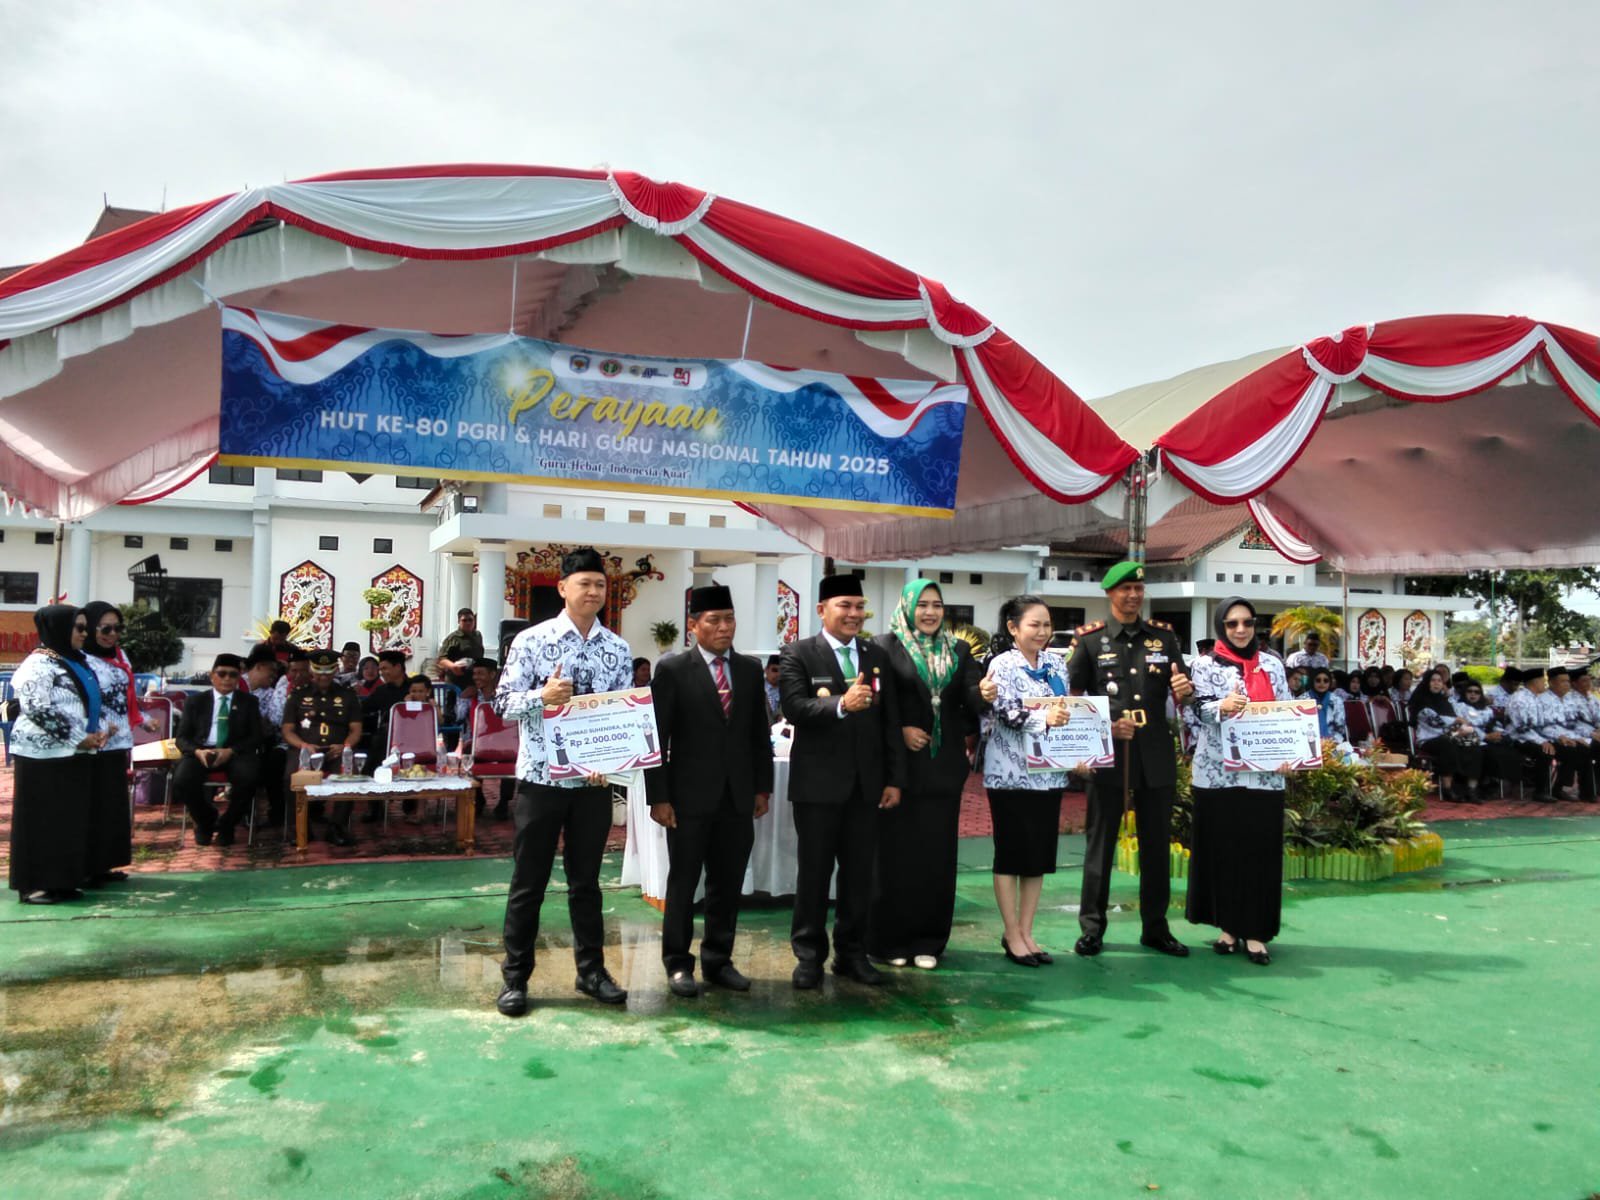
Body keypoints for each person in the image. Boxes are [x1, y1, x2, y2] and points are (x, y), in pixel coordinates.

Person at [494, 547, 634, 1017]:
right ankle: (516, 978)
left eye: (600, 584)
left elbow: (620, 717)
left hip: (592, 784)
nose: (593, 592)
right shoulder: (531, 641)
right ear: (562, 588)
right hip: (540, 779)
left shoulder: (618, 649)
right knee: (528, 882)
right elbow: (502, 704)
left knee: (586, 883)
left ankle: (591, 972)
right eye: (584, 583)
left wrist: (610, 763)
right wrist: (543, 695)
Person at [646, 584, 774, 998]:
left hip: (737, 796)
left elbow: (758, 735)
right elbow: (656, 737)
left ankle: (719, 961)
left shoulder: (750, 669)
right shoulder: (673, 670)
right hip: (687, 798)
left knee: (727, 883)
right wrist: (659, 796)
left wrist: (762, 788)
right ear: (693, 625)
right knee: (684, 883)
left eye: (729, 619)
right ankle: (677, 963)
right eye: (714, 620)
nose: (724, 627)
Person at [778, 573, 904, 990]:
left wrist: (893, 778)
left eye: (859, 606)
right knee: (814, 874)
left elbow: (889, 720)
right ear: (822, 610)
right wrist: (841, 705)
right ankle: (808, 956)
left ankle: (851, 953)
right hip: (817, 787)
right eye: (844, 606)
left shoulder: (875, 654)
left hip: (867, 787)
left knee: (858, 876)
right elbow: (794, 707)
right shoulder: (798, 653)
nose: (854, 614)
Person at [1066, 561, 1194, 959]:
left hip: (1154, 752)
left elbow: (1183, 691)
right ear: (1110, 593)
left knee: (1156, 846)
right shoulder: (1090, 641)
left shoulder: (1164, 638)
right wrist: (1105, 729)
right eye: (1126, 589)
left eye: (1139, 588)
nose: (1134, 595)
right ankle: (1092, 929)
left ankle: (1155, 928)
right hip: (1109, 754)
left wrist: (1185, 689)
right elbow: (1073, 702)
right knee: (1100, 845)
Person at [871, 579, 995, 970]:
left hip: (943, 767)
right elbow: (877, 704)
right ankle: (890, 940)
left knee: (936, 856)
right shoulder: (883, 647)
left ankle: (930, 940)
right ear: (907, 607)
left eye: (937, 605)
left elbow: (969, 697)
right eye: (922, 604)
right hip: (899, 769)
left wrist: (984, 693)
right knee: (895, 856)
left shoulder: (958, 649)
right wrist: (900, 731)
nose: (930, 612)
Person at [1186, 597, 1293, 965]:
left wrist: (1290, 754)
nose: (1241, 629)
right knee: (1224, 852)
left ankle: (1257, 932)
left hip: (1265, 776)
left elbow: (1286, 712)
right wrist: (1222, 706)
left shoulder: (1272, 665)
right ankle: (1228, 928)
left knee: (1259, 852)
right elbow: (1195, 710)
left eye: (1247, 622)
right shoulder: (1204, 665)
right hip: (1218, 774)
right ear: (1221, 627)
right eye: (1232, 623)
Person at [983, 594, 1071, 967]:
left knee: (1038, 857)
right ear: (1013, 628)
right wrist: (1043, 719)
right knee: (1011, 854)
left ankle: (1027, 930)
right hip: (1010, 774)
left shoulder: (1056, 663)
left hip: (1048, 774)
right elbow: (1004, 712)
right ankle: (1010, 932)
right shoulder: (1001, 665)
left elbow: (1068, 710)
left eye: (1047, 624)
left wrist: (1080, 752)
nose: (1042, 631)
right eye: (1034, 624)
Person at [8, 606, 105, 904]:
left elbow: (85, 702)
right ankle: (33, 885)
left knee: (66, 821)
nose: (85, 634)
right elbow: (37, 708)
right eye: (79, 628)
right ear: (60, 629)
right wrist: (78, 737)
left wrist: (97, 732)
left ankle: (62, 881)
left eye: (86, 628)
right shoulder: (37, 664)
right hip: (41, 755)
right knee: (40, 821)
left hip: (72, 752)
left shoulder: (73, 661)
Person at [80, 601, 154, 884]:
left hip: (120, 738)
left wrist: (142, 719)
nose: (112, 635)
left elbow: (127, 696)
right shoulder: (82, 659)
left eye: (117, 628)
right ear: (90, 629)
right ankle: (87, 866)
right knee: (93, 805)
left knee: (113, 805)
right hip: (94, 741)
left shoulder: (120, 655)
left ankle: (106, 864)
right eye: (105, 629)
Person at [173, 654, 263, 847]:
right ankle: (206, 820)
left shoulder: (249, 702)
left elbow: (256, 737)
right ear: (212, 676)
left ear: (239, 678)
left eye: (233, 675)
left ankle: (227, 824)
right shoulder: (195, 702)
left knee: (249, 778)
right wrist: (197, 752)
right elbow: (181, 738)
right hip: (202, 751)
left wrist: (231, 751)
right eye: (222, 674)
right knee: (182, 779)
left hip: (234, 752)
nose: (227, 679)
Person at [281, 649, 364, 844]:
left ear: (335, 670)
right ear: (312, 670)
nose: (323, 676)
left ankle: (337, 827)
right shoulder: (298, 695)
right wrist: (304, 745)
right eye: (319, 671)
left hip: (337, 750)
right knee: (290, 777)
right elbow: (287, 730)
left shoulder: (348, 696)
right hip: (305, 750)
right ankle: (299, 827)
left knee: (349, 774)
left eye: (328, 671)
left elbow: (356, 730)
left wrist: (345, 746)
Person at [1409, 669, 1482, 801]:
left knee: (1473, 742)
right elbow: (1435, 721)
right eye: (1433, 680)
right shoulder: (1421, 700)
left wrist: (1462, 730)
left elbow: (1455, 724)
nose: (1436, 683)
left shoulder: (1444, 701)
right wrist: (1456, 721)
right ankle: (1448, 789)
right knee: (1447, 743)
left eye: (1439, 681)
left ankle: (1471, 789)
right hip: (1428, 739)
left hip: (1448, 735)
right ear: (1426, 682)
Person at [244, 646, 289, 829]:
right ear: (260, 666)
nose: (274, 676)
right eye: (271, 670)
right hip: (236, 743)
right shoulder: (236, 684)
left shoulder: (271, 693)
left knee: (273, 763)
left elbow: (272, 723)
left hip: (263, 743)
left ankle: (275, 814)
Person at [1453, 678, 1521, 798]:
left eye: (1477, 692)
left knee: (1509, 751)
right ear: (1464, 693)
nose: (1473, 694)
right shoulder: (1459, 707)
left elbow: (1493, 724)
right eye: (1470, 691)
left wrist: (1499, 734)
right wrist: (1485, 736)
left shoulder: (1486, 709)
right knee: (1488, 753)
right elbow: (1464, 727)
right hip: (1467, 739)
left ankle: (1500, 785)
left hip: (1487, 739)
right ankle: (1477, 787)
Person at [1546, 665, 1596, 801]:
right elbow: (1544, 725)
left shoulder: (1573, 699)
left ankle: (1589, 791)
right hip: (1550, 737)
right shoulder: (1546, 700)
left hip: (1572, 735)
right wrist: (1566, 737)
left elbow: (1574, 723)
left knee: (1585, 748)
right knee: (1578, 750)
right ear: (1551, 683)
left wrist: (1589, 733)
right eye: (1563, 681)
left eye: (1567, 681)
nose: (1567, 684)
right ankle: (1560, 788)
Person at [436, 608, 484, 690]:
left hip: (473, 679)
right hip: (456, 680)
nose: (468, 623)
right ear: (459, 621)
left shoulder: (478, 635)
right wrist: (453, 666)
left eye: (470, 620)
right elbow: (441, 659)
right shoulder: (453, 638)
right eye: (464, 620)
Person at [1307, 668, 1348, 743]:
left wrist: (1330, 742)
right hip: (1307, 741)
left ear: (1330, 683)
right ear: (1312, 681)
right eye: (1318, 680)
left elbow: (1340, 727)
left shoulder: (1336, 700)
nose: (1322, 683)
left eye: (1326, 681)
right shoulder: (1303, 700)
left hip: (1332, 742)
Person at [764, 655, 783, 723]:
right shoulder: (756, 687)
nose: (778, 674)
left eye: (781, 671)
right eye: (774, 670)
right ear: (766, 670)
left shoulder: (787, 691)